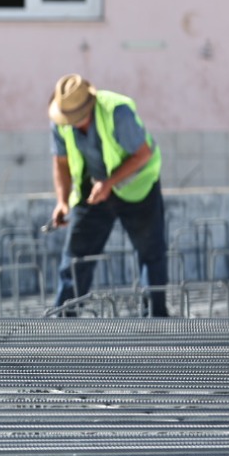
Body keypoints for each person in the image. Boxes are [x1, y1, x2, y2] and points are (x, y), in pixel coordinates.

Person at [47, 73, 169, 317]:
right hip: (92, 193)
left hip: (137, 188)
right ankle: (63, 320)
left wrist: (110, 183)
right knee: (75, 258)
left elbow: (143, 154)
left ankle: (156, 319)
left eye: (78, 118)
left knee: (151, 253)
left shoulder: (117, 112)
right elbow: (60, 162)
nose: (73, 123)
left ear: (89, 107)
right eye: (68, 119)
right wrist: (62, 201)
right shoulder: (60, 121)